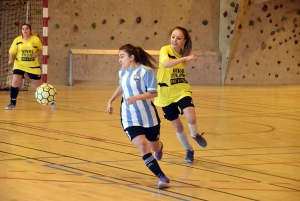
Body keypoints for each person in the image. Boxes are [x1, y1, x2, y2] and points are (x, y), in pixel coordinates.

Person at [107, 44, 170, 189]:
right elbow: (123, 86)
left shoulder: (146, 72)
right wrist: (111, 99)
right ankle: (162, 177)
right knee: (143, 145)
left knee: (155, 144)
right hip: (129, 118)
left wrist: (137, 97)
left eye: (121, 56)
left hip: (148, 116)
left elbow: (154, 93)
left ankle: (159, 148)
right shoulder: (122, 72)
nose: (119, 60)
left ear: (131, 57)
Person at [154, 26, 207, 163]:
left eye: (178, 38)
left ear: (184, 41)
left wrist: (185, 58)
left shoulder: (183, 54)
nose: (174, 40)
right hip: (165, 94)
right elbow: (166, 65)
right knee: (178, 126)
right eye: (173, 37)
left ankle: (195, 134)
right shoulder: (165, 50)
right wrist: (185, 59)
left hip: (181, 90)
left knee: (191, 118)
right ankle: (189, 150)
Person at [5, 23, 55, 110]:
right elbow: (11, 51)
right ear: (21, 31)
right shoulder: (17, 40)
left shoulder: (35, 39)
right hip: (19, 65)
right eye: (23, 29)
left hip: (33, 66)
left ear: (30, 30)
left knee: (39, 86)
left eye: (27, 28)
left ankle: (50, 100)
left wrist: (36, 54)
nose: (25, 30)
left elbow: (40, 49)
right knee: (15, 82)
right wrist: (11, 59)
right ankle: (12, 104)